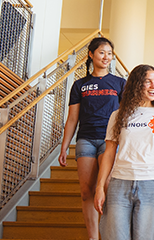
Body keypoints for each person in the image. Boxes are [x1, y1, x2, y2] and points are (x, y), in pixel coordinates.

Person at [94, 64, 154, 240]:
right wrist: (100, 186)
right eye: (148, 81)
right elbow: (109, 153)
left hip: (152, 184)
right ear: (136, 84)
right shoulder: (118, 115)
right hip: (119, 184)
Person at [58, 37, 123, 240]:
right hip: (85, 139)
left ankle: (112, 234)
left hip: (109, 140)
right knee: (86, 191)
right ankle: (93, 237)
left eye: (109, 53)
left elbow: (125, 115)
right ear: (91, 55)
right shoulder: (80, 85)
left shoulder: (120, 83)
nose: (106, 57)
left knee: (106, 187)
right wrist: (64, 148)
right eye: (102, 52)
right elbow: (72, 119)